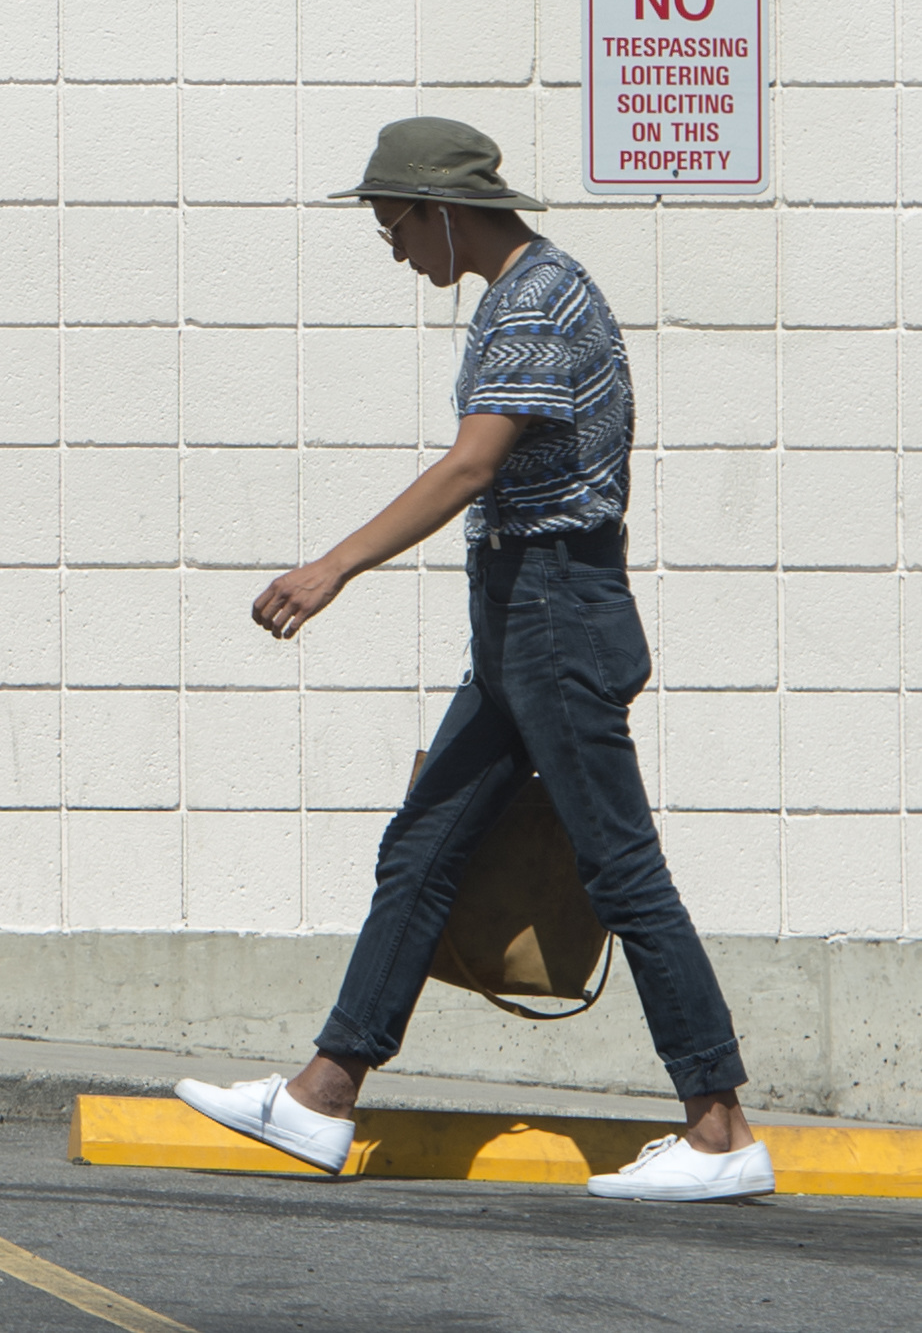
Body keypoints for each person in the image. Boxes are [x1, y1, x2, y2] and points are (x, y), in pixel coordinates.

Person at [174, 117, 768, 1204]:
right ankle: (320, 1096)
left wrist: (332, 567)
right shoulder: (517, 296)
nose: (392, 247)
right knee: (425, 846)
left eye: (395, 223)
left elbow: (470, 467)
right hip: (524, 615)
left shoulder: (537, 299)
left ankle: (721, 1126)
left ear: (444, 211)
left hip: (554, 613)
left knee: (621, 867)